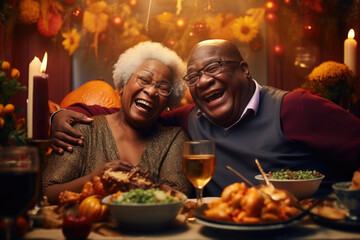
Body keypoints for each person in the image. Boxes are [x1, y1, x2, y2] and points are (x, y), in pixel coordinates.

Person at [50, 39, 360, 197]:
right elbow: (132, 112)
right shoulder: (191, 118)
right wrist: (67, 113)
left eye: (213, 68)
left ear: (244, 70)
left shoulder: (296, 109)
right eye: (193, 76)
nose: (202, 81)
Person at [42, 41, 194, 204]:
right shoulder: (82, 130)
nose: (151, 91)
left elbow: (179, 196)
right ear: (122, 85)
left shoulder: (174, 139)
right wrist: (94, 179)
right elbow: (47, 192)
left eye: (163, 88)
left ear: (168, 102)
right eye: (144, 79)